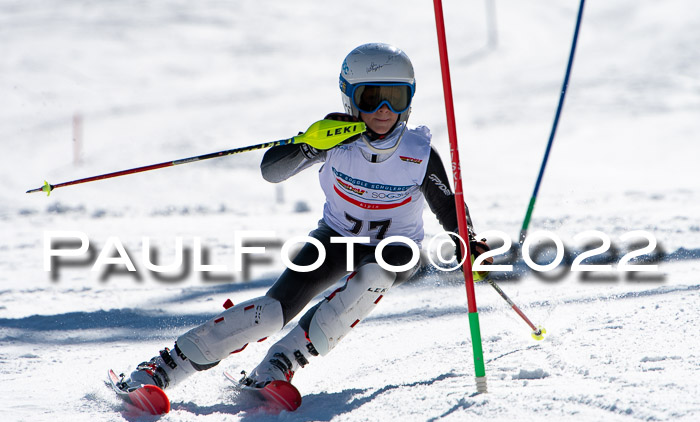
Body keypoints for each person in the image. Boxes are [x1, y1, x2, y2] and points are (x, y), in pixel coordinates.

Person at [117, 43, 489, 393]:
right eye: (371, 98)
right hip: (335, 239)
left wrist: (467, 240)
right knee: (272, 311)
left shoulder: (418, 152)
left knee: (376, 274)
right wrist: (309, 145)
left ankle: (281, 362)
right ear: (350, 97)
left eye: (395, 98)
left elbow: (448, 205)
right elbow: (272, 171)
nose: (384, 111)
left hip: (396, 250)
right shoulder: (335, 137)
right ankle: (166, 366)